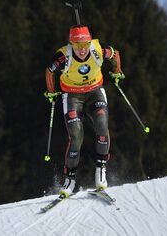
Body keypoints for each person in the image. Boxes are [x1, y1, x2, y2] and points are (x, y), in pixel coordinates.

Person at [44, 24, 124, 196]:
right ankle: (69, 180)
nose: (82, 50)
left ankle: (100, 172)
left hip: (95, 92)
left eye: (85, 45)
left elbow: (115, 54)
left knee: (102, 127)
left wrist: (117, 72)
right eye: (78, 46)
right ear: (71, 45)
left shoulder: (97, 50)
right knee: (76, 137)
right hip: (72, 96)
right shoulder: (63, 56)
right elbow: (49, 71)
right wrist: (51, 92)